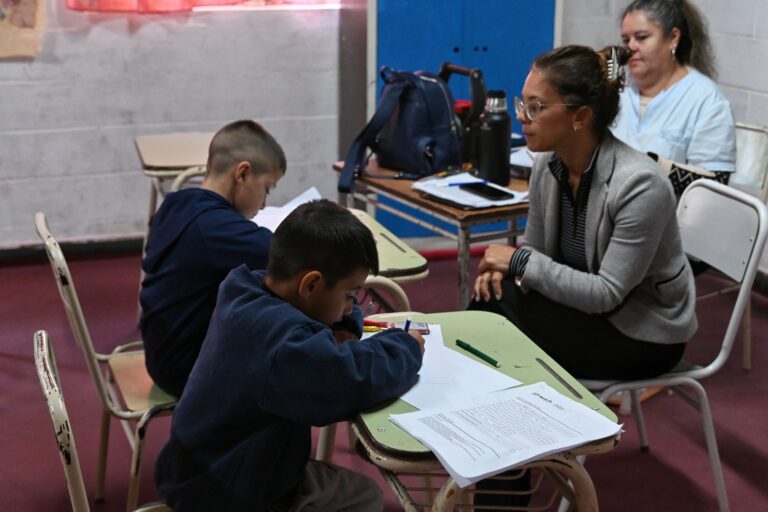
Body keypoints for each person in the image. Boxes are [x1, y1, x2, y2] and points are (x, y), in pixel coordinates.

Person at [469, 43, 697, 509]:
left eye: (536, 107)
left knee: (499, 341)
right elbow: (534, 250)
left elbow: (607, 294)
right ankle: (504, 476)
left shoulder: (639, 185)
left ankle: (502, 485)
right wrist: (509, 272)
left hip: (642, 331)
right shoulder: (547, 166)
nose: (522, 118)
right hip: (586, 310)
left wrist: (513, 264)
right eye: (522, 104)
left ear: (580, 117)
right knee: (489, 317)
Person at [154, 199, 425, 512]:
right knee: (363, 496)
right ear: (310, 284)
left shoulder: (244, 287)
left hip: (204, 467)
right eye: (349, 295)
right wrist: (406, 346)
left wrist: (344, 321)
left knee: (352, 490)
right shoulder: (284, 346)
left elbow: (324, 329)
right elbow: (351, 380)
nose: (352, 307)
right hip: (227, 491)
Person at [140, 119, 286, 397]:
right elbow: (290, 254)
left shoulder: (177, 203)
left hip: (162, 352)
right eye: (267, 188)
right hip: (185, 371)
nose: (265, 204)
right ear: (242, 174)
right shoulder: (217, 229)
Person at [611, 0, 736, 196]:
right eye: (626, 40)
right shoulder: (616, 89)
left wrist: (647, 164)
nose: (630, 47)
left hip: (670, 223)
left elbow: (715, 185)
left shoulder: (707, 100)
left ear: (673, 39)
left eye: (641, 37)